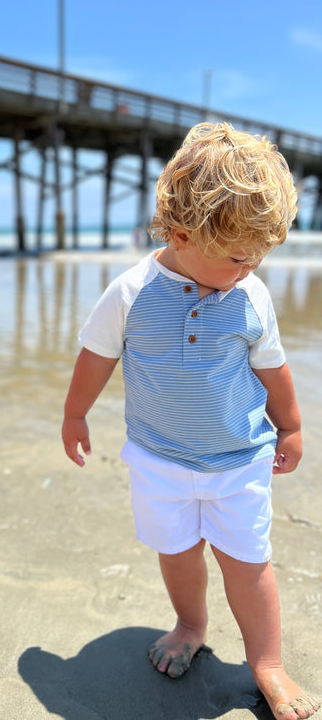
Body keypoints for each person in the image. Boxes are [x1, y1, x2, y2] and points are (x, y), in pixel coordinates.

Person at [62, 123, 320, 720]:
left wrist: (292, 426)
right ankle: (189, 625)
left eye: (258, 257)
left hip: (238, 459)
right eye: (237, 257)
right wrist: (75, 413)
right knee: (177, 551)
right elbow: (96, 356)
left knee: (248, 562)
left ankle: (268, 662)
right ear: (181, 234)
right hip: (158, 459)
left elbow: (273, 369)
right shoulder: (130, 292)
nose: (249, 269)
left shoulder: (249, 296)